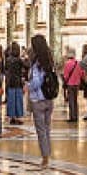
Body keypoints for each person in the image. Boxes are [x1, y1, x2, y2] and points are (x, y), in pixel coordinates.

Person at [27, 34, 56, 167]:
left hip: (38, 100)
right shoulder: (49, 60)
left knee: (41, 130)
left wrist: (27, 86)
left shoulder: (37, 63)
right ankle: (48, 152)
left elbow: (36, 82)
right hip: (49, 99)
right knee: (47, 128)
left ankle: (45, 157)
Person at [4, 42, 26, 124]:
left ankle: (12, 117)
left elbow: (5, 69)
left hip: (10, 82)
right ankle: (18, 117)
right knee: (18, 100)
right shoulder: (19, 60)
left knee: (11, 100)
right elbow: (27, 66)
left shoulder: (8, 60)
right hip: (18, 82)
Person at [62, 47, 84, 123]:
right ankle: (76, 115)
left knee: (71, 100)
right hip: (77, 84)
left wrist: (65, 81)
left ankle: (72, 116)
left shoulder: (67, 64)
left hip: (70, 84)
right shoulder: (78, 63)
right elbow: (82, 74)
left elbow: (65, 75)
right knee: (75, 100)